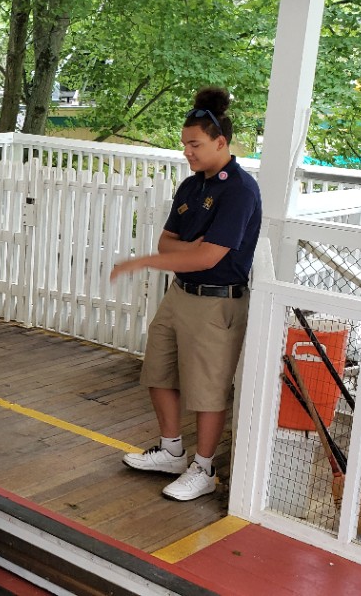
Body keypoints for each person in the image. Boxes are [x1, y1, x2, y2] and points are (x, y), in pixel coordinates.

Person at [109, 87, 262, 502]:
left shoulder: (241, 190)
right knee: (158, 369)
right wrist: (186, 253)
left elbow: (209, 257)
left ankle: (204, 468)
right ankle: (172, 450)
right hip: (180, 294)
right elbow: (168, 244)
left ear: (221, 142)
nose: (187, 152)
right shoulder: (193, 187)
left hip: (218, 301)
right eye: (184, 145)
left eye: (194, 145)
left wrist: (149, 261)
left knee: (208, 389)